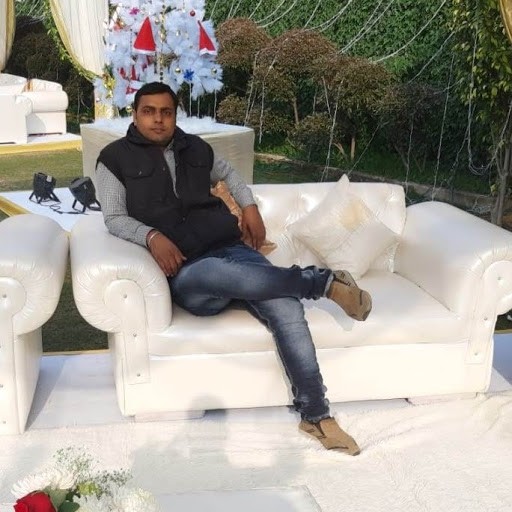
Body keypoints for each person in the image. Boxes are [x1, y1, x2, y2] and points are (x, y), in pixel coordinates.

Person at [95, 81, 372, 455]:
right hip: (190, 269)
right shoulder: (113, 159)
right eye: (149, 111)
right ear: (135, 114)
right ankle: (321, 283)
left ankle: (316, 416)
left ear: (175, 115)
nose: (158, 120)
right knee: (218, 272)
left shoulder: (197, 148)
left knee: (286, 306)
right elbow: (113, 217)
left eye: (166, 112)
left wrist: (251, 207)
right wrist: (151, 236)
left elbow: (231, 177)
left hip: (232, 248)